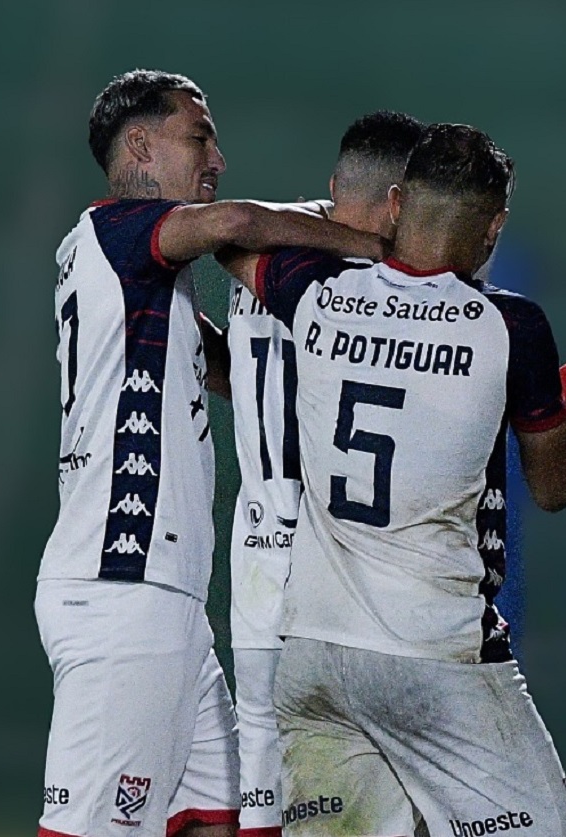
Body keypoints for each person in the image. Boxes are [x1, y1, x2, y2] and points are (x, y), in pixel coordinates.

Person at [35, 68, 385, 837]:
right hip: (123, 586)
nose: (216, 156)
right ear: (140, 145)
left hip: (171, 608)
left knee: (215, 819)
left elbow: (237, 369)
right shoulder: (118, 229)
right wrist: (366, 244)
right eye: (199, 136)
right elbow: (234, 225)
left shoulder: (146, 289)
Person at [229, 123, 566, 836]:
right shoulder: (511, 326)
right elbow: (554, 488)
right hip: (433, 658)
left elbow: (235, 238)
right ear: (495, 227)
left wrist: (359, 248)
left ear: (395, 202)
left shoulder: (318, 294)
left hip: (313, 657)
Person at [219, 110, 426, 837]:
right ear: (405, 201)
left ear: (337, 185)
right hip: (347, 570)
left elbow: (236, 229)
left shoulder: (263, 248)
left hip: (258, 562)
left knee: (263, 791)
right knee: (368, 798)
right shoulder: (393, 284)